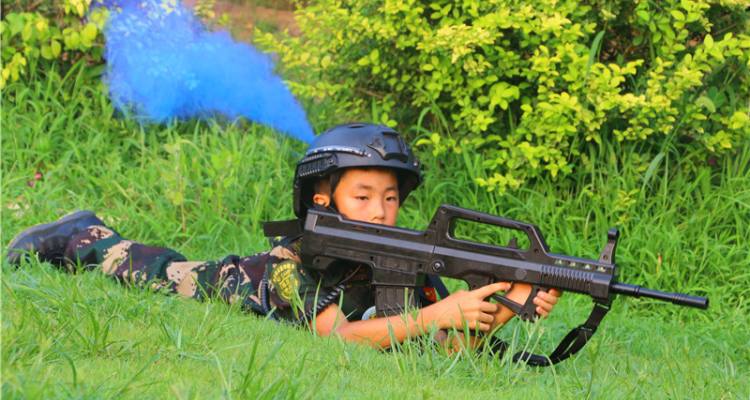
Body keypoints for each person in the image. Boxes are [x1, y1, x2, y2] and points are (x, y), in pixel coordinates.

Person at [6, 123, 561, 349]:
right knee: (157, 270)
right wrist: (434, 314)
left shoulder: (405, 260)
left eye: (391, 197)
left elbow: (446, 350)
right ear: (323, 200)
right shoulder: (293, 261)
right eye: (362, 196)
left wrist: (507, 305)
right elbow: (339, 338)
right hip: (239, 283)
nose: (380, 211)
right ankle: (80, 233)